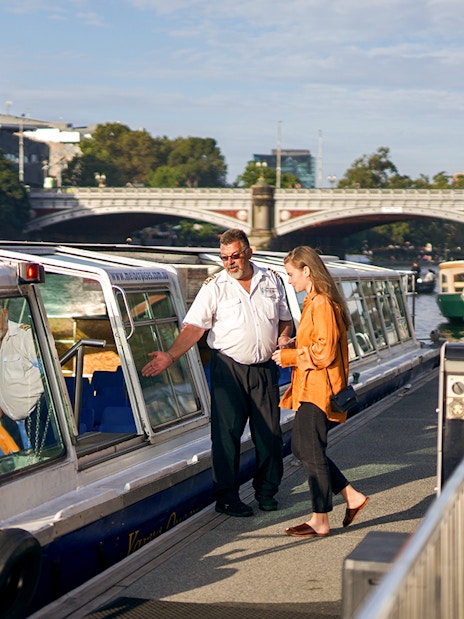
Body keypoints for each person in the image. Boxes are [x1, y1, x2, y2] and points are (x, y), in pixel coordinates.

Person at [142, 229, 294, 517]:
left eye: (234, 256)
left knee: (270, 435)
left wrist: (284, 338)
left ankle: (267, 492)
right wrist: (171, 356)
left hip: (264, 370)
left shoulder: (272, 280)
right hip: (229, 368)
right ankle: (227, 498)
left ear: (249, 252)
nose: (229, 263)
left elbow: (285, 320)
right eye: (224, 258)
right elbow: (195, 328)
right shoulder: (215, 286)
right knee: (226, 436)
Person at [272, 247, 368, 537]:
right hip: (309, 388)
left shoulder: (322, 303)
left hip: (319, 390)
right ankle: (351, 496)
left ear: (307, 271)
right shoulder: (314, 301)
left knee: (310, 450)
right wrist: (294, 342)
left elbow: (324, 354)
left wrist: (288, 357)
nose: (289, 281)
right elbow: (317, 341)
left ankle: (320, 519)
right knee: (303, 448)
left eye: (291, 274)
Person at [0, 300, 44, 450]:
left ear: (4, 313)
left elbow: (48, 374)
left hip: (37, 418)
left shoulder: (24, 335)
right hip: (8, 423)